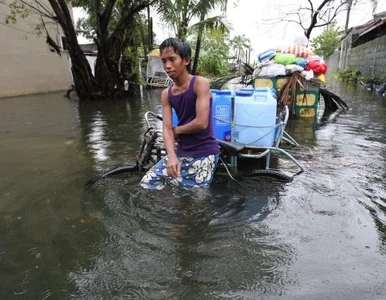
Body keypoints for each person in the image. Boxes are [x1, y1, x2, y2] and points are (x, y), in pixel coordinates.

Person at [140, 38, 220, 190]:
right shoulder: (166, 94)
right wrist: (171, 156)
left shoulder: (200, 83)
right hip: (181, 151)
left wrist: (177, 130)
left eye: (172, 60)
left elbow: (201, 123)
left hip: (204, 152)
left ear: (186, 60)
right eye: (164, 61)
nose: (167, 66)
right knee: (148, 183)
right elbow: (166, 128)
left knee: (194, 202)